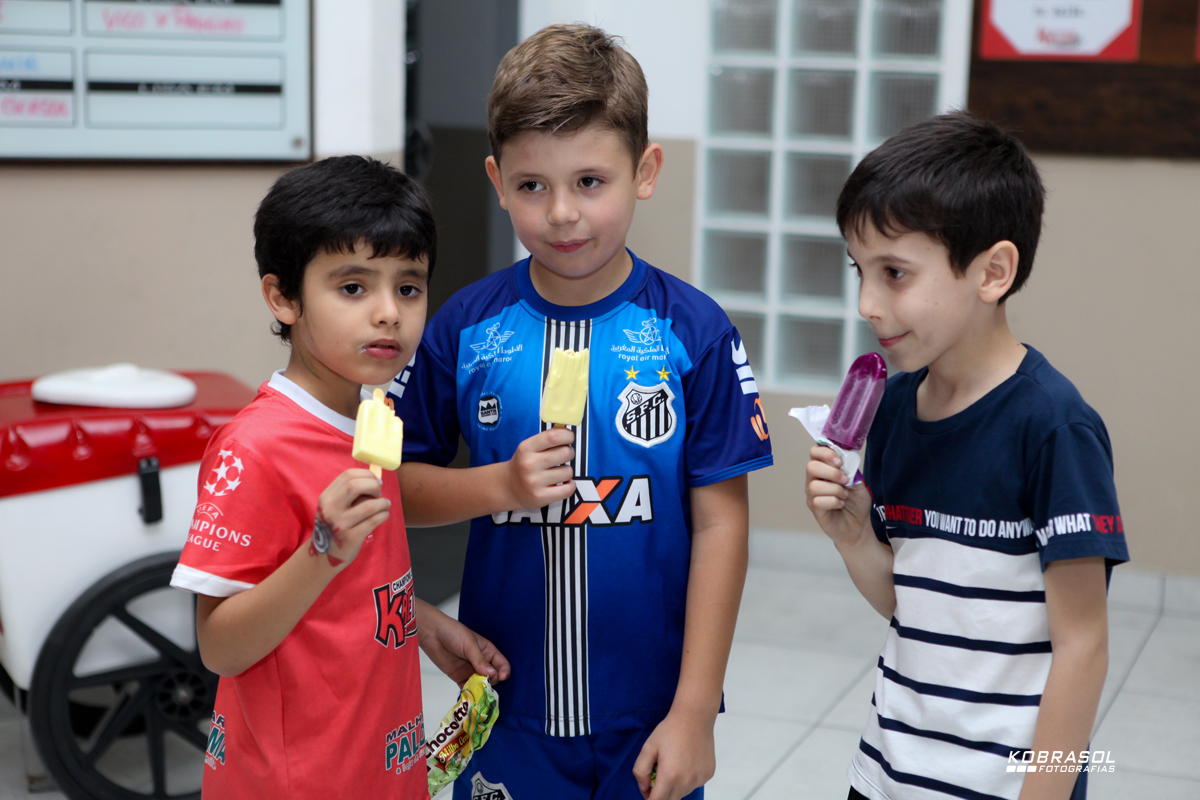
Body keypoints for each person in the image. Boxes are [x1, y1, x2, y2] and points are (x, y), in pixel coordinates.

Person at [391, 23, 773, 800]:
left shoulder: (692, 331)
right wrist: (499, 486)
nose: (562, 213)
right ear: (498, 181)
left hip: (649, 715)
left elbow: (721, 524)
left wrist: (695, 710)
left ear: (646, 170)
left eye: (590, 182)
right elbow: (392, 485)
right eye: (533, 186)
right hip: (506, 711)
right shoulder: (465, 328)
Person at [804, 112, 1129, 800]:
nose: (866, 302)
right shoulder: (892, 413)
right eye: (859, 271)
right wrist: (855, 536)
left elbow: (1083, 646)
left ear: (993, 272)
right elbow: (912, 606)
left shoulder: (1053, 428)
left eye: (894, 273)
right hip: (890, 769)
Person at [169, 156, 510, 800]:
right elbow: (220, 646)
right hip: (298, 781)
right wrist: (321, 549)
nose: (388, 313)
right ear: (283, 297)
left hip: (378, 766)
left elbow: (354, 586)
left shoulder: (370, 414)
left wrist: (423, 623)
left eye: (408, 287)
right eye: (353, 288)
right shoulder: (256, 448)